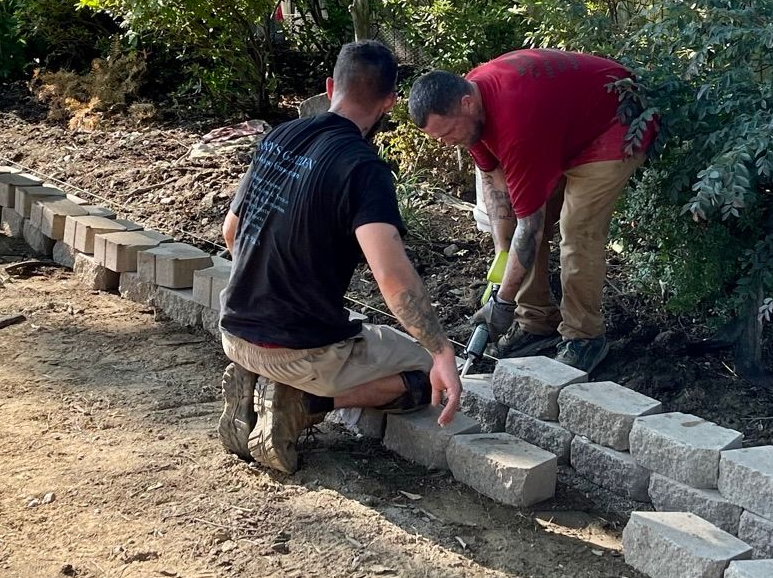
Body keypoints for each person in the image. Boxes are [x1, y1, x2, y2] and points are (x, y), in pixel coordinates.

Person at [218, 40, 462, 476]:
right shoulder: (364, 169)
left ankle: (261, 383)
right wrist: (441, 350)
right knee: (422, 373)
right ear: (389, 102)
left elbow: (231, 233)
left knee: (356, 340)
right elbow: (392, 277)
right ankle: (303, 402)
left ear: (331, 86)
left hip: (234, 332)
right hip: (298, 352)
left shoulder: (278, 136)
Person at [408, 48, 656, 376]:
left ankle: (585, 338)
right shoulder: (471, 117)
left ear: (466, 103)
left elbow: (531, 225)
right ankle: (537, 322)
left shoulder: (514, 119)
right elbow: (497, 184)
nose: (446, 142)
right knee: (518, 237)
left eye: (447, 133)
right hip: (562, 131)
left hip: (616, 121)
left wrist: (502, 302)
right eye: (438, 138)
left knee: (577, 229)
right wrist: (502, 252)